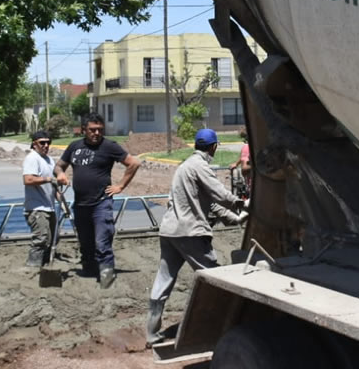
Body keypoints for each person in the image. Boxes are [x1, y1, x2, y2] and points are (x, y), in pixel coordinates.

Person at [146, 128, 246, 346]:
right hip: (190, 232)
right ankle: (223, 327)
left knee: (164, 279)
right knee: (215, 278)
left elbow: (209, 202)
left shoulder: (184, 167)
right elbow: (219, 193)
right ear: (214, 147)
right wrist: (241, 203)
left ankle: (152, 333)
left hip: (169, 231)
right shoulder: (200, 166)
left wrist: (235, 218)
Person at [54, 113, 140, 289]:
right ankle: (89, 270)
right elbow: (59, 165)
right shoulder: (74, 146)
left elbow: (133, 163)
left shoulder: (109, 146)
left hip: (101, 202)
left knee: (102, 241)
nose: (97, 133)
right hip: (80, 204)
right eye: (93, 130)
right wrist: (61, 174)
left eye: (100, 130)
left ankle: (107, 276)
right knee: (85, 242)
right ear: (84, 129)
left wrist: (120, 186)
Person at [22, 130, 58, 267]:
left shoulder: (49, 160)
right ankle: (33, 265)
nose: (46, 145)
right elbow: (28, 179)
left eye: (48, 142)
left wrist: (58, 194)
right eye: (42, 143)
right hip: (36, 207)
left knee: (53, 238)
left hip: (49, 206)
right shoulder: (32, 158)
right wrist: (49, 179)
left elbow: (52, 184)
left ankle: (46, 263)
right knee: (41, 238)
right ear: (34, 144)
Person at [228, 129, 252, 200]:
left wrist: (237, 164)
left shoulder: (246, 147)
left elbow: (244, 167)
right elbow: (243, 158)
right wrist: (237, 163)